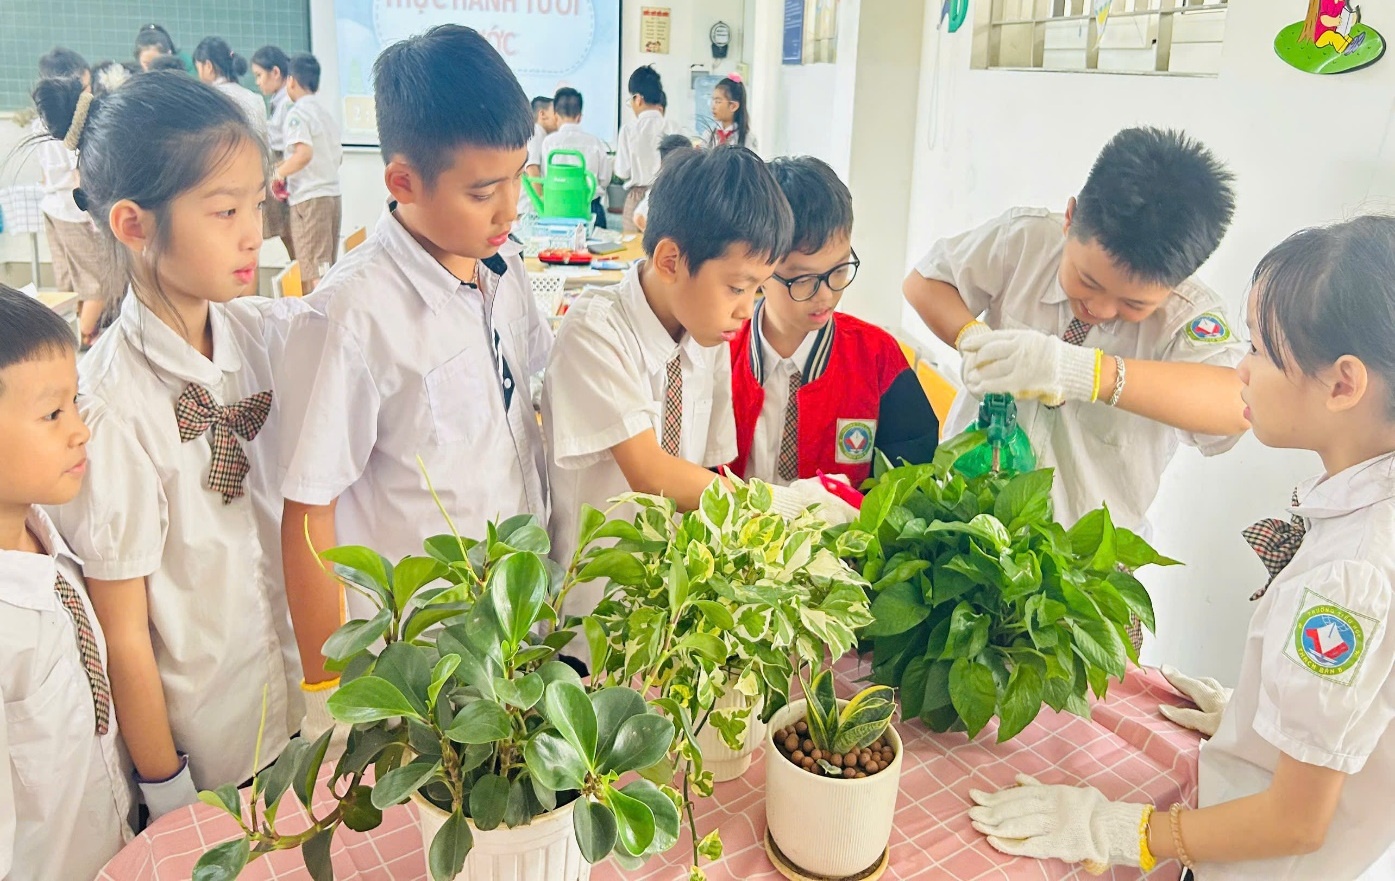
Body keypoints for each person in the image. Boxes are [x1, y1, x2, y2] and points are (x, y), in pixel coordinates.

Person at [968, 215, 1395, 880]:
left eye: (1260, 349)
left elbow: (1296, 821)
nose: (1241, 369)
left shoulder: (1350, 575)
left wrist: (1118, 829)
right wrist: (1258, 723)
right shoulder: (1362, 518)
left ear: (1342, 383)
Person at [35, 71, 304, 815]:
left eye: (257, 205)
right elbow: (123, 633)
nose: (253, 233)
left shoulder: (256, 335)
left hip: (292, 710)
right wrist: (167, 790)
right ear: (133, 224)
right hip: (206, 754)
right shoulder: (111, 408)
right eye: (225, 211)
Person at [275, 25, 553, 724]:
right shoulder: (351, 316)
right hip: (425, 661)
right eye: (484, 191)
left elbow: (529, 396)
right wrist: (331, 697)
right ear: (403, 181)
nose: (511, 207)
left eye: (519, 175)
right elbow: (309, 513)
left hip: (518, 620)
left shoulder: (504, 266)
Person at [543, 146, 852, 627]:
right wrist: (782, 505)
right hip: (590, 613)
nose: (747, 309)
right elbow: (651, 473)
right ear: (670, 260)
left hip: (668, 613)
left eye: (758, 289)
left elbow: (705, 473)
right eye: (737, 287)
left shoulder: (706, 332)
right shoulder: (596, 330)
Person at [904, 127, 1247, 535]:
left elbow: (1235, 404)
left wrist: (1085, 373)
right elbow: (925, 282)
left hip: (1082, 550)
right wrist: (971, 338)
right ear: (1070, 219)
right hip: (966, 520)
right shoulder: (1027, 241)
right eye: (1088, 281)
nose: (1099, 309)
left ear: (1177, 282)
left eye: (1133, 304)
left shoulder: (1187, 316)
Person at [0, 286, 136, 881]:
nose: (81, 431)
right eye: (53, 414)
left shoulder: (48, 538)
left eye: (75, 403)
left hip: (118, 847)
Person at [729, 156, 939, 486]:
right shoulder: (719, 351)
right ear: (758, 270)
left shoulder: (876, 358)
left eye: (839, 270)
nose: (826, 295)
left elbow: (912, 473)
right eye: (803, 279)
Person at [30, 48, 123, 348]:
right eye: (83, 85)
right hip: (72, 211)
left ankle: (73, 334)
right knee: (97, 281)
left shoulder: (41, 120)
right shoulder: (73, 123)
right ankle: (83, 338)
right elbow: (79, 174)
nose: (87, 93)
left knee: (69, 279)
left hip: (52, 207)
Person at [274, 54, 342, 292]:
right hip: (331, 194)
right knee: (324, 267)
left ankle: (319, 315)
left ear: (291, 81)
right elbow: (338, 156)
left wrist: (278, 173)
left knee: (314, 271)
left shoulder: (297, 114)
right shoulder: (325, 113)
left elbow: (303, 154)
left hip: (309, 198)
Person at [540, 86, 612, 229]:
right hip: (590, 209)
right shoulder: (595, 142)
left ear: (555, 116)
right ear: (579, 117)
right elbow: (605, 179)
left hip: (558, 211)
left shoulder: (549, 142)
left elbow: (546, 175)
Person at [252, 45, 295, 258]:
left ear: (275, 72)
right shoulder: (279, 99)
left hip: (285, 166)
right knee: (285, 229)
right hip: (279, 164)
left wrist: (279, 172)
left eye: (259, 75)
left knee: (291, 230)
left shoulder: (288, 102)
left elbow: (288, 142)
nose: (257, 82)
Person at [614, 65, 667, 232]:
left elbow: (622, 172)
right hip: (665, 196)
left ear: (638, 99)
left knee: (632, 246)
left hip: (636, 197)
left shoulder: (629, 130)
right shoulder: (673, 127)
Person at [193, 37, 270, 146]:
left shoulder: (209, 99)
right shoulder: (256, 98)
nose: (199, 76)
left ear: (208, 66)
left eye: (199, 68)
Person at [632, 133, 693, 232]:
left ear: (662, 164)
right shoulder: (699, 186)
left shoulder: (661, 187)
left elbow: (638, 217)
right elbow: (638, 217)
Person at [520, 94, 558, 214]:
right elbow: (532, 168)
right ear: (542, 114)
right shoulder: (537, 133)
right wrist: (541, 203)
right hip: (531, 208)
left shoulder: (543, 136)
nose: (559, 117)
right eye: (555, 112)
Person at [705, 74, 758, 154]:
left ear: (733, 106)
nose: (713, 106)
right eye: (713, 101)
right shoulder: (709, 134)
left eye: (718, 101)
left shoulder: (748, 138)